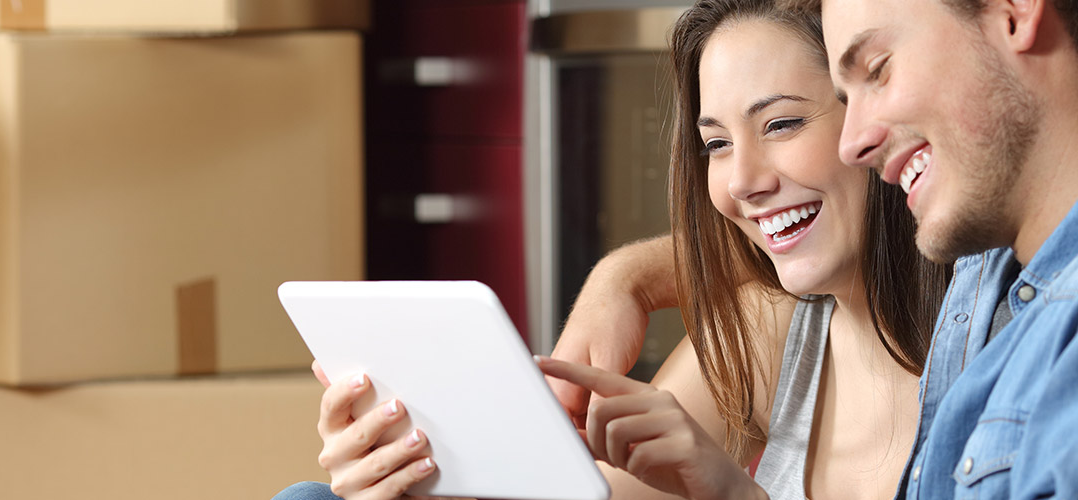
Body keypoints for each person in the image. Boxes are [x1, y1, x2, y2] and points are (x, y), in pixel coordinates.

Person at [562, 0, 1078, 497]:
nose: (855, 139)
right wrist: (628, 277)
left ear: (1015, 10)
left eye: (877, 70)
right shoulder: (991, 269)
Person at [272, 1, 951, 498]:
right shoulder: (774, 327)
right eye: (716, 143)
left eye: (781, 123)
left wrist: (731, 495)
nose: (742, 180)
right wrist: (421, 470)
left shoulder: (1000, 343)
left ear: (873, 120)